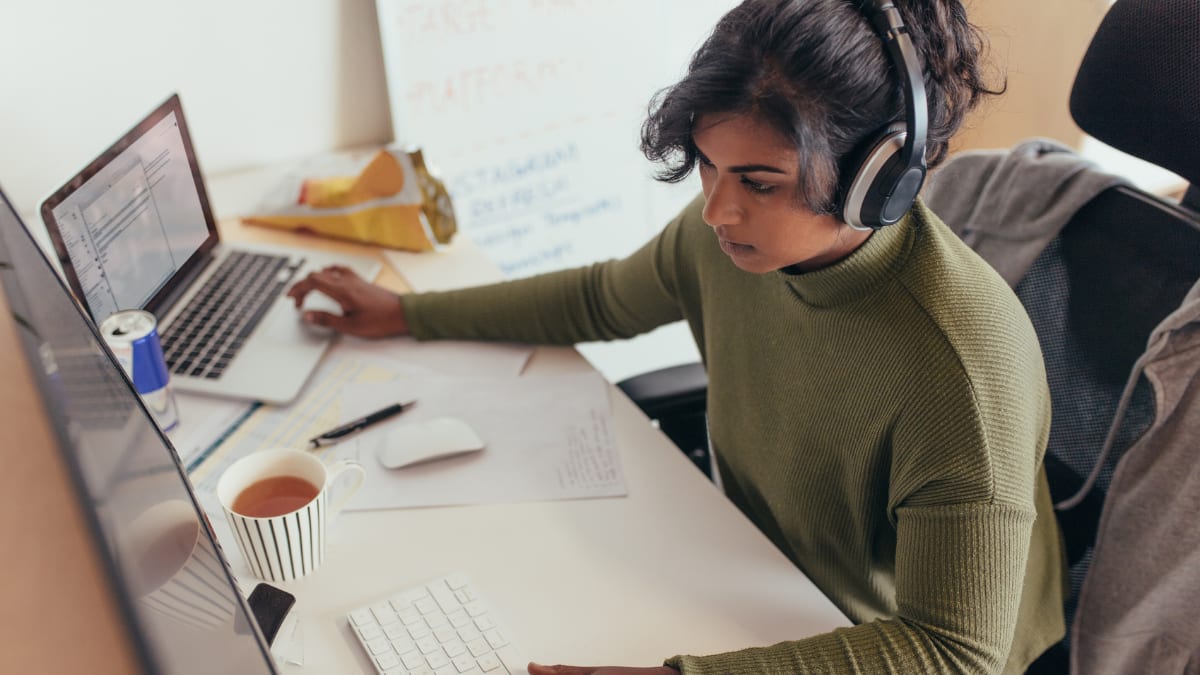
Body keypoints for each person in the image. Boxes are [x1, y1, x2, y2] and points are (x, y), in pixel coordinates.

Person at [287, 0, 1066, 672]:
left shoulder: (964, 370)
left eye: (759, 183)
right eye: (707, 165)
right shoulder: (733, 241)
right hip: (751, 565)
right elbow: (599, 298)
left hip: (864, 637)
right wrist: (408, 313)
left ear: (879, 178)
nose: (716, 212)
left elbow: (951, 652)